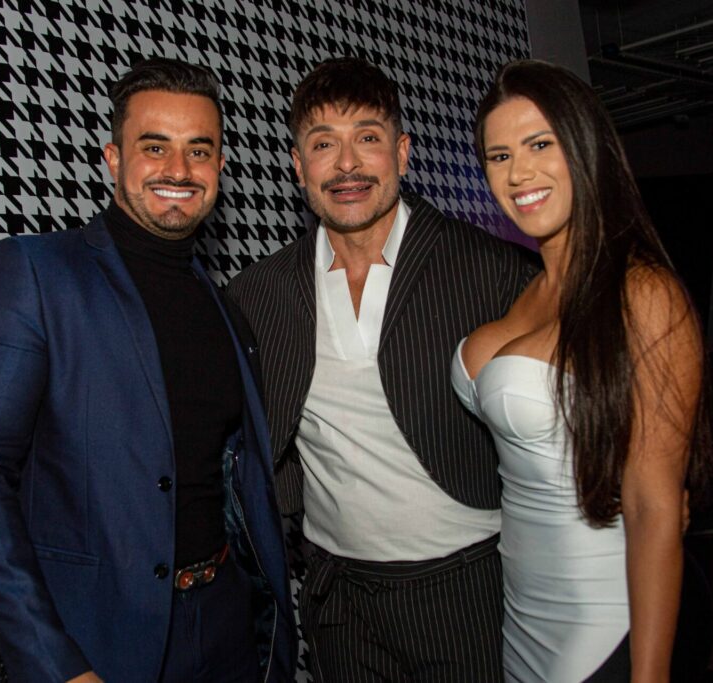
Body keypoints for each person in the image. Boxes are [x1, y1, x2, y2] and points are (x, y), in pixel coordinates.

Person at [0, 57, 295, 683]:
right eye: (154, 147)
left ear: (219, 167)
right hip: (94, 643)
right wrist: (55, 666)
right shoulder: (34, 274)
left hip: (228, 630)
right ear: (113, 158)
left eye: (199, 151)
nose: (178, 170)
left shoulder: (228, 310)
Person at [227, 57, 535, 682]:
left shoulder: (493, 272)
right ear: (298, 167)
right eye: (323, 144)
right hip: (339, 599)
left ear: (401, 152)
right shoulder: (257, 294)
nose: (347, 165)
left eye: (367, 138)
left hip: (470, 588)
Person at [453, 59, 712, 682]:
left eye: (540, 144)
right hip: (523, 619)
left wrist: (649, 676)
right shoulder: (529, 291)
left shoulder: (643, 294)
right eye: (498, 156)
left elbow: (654, 508)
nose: (519, 173)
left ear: (585, 146)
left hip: (602, 624)